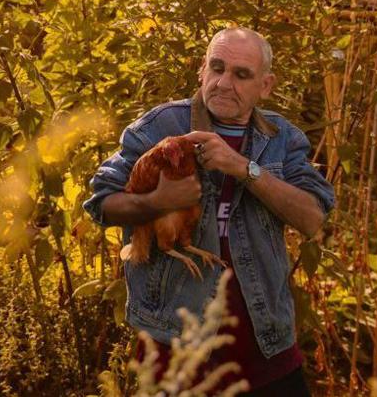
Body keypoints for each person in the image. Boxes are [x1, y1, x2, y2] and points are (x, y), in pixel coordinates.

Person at [83, 27, 335, 396]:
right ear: (202, 71)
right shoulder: (159, 128)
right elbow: (100, 203)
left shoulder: (281, 139)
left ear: (265, 86)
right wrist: (158, 201)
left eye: (241, 74)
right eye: (216, 68)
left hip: (264, 341)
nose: (223, 82)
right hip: (175, 344)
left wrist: (243, 167)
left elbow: (313, 218)